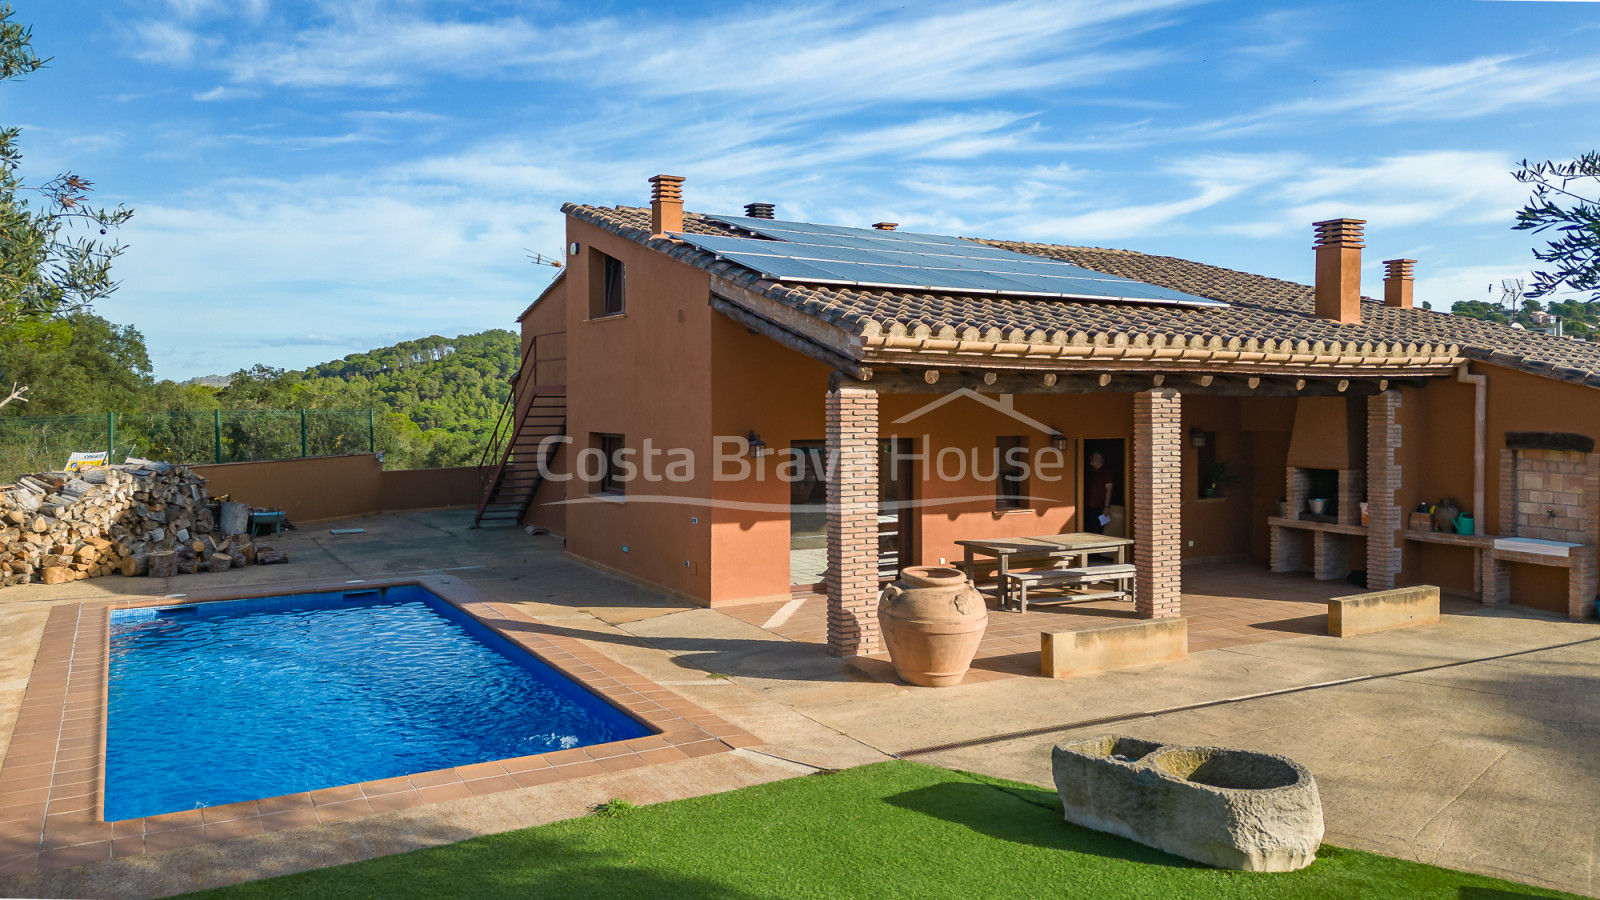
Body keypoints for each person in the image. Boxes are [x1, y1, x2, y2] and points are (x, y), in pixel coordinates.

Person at [1085, 451, 1115, 535]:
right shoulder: (1091, 473)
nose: (1091, 459)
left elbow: (1109, 490)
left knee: (1097, 530)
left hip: (1099, 508)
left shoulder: (1106, 473)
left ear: (1100, 459)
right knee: (1088, 530)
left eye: (1094, 457)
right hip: (1088, 506)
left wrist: (1106, 507)